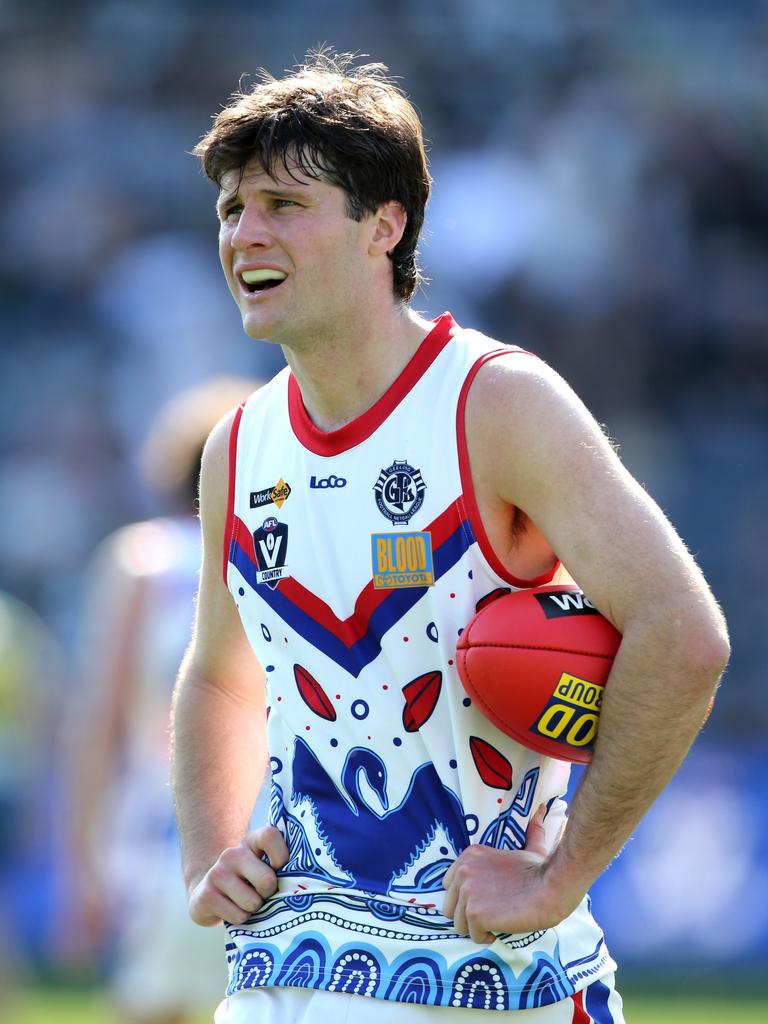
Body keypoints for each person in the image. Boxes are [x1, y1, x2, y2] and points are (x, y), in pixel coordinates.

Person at [171, 52, 730, 1024]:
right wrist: (209, 850)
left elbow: (682, 632)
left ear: (383, 225)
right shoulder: (236, 445)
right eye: (230, 208)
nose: (243, 234)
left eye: (281, 204)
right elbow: (219, 674)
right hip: (278, 975)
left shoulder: (496, 403)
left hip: (484, 984)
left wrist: (561, 875)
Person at [66, 378, 266, 1024]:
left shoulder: (142, 560)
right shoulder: (275, 553)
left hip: (162, 828)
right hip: (271, 828)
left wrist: (82, 854)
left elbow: (99, 720)